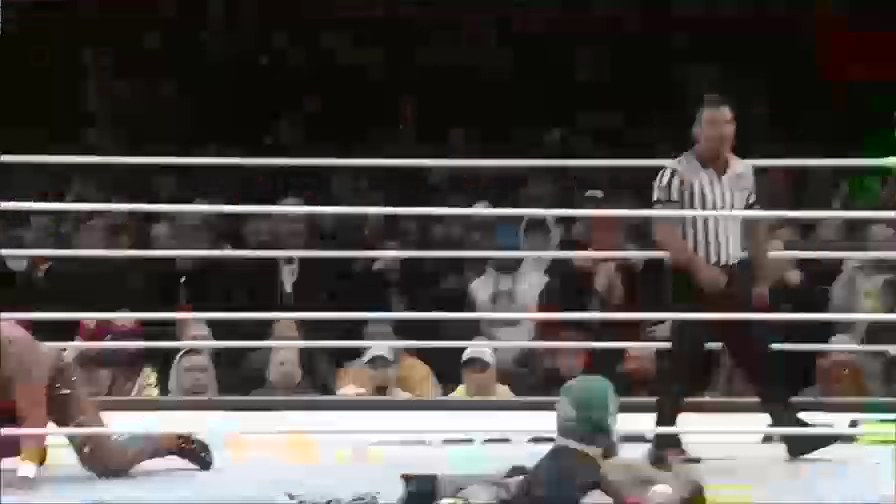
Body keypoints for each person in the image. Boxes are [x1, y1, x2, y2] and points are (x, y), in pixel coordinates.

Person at [649, 94, 838, 465]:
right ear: (696, 130)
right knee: (686, 358)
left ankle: (790, 429)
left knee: (754, 354)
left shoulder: (742, 171)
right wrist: (698, 266)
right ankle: (664, 440)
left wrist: (762, 276)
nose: (720, 132)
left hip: (733, 273)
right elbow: (663, 231)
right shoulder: (674, 174)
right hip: (690, 278)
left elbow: (753, 225)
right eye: (712, 124)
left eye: (727, 123)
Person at [0, 320, 213, 485]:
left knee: (106, 460)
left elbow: (34, 419)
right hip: (10, 394)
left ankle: (175, 442)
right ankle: (30, 450)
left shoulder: (20, 353)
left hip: (56, 383)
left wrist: (25, 475)